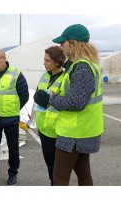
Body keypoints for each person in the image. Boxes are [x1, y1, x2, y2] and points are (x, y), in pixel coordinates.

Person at [50, 24, 104, 185]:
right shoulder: (85, 65)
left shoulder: (82, 67)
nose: (60, 46)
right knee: (84, 174)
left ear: (72, 43)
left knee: (59, 178)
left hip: (75, 133)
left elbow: (77, 102)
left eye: (62, 43)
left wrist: (53, 99)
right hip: (83, 130)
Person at [0, 48, 29, 186]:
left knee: (13, 147)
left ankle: (13, 173)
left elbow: (24, 96)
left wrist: (12, 108)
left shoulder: (16, 74)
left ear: (4, 58)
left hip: (10, 117)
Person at [33, 46, 66, 186]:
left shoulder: (65, 78)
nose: (44, 63)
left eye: (47, 60)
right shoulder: (44, 76)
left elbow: (64, 103)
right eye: (44, 60)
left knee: (57, 166)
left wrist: (47, 100)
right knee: (48, 162)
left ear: (57, 62)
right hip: (43, 127)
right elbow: (36, 95)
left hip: (56, 129)